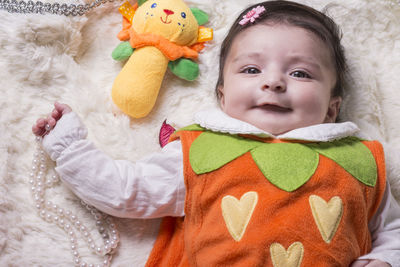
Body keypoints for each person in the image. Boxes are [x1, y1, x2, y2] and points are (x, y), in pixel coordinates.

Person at [33, 1, 400, 266]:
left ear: (332, 107)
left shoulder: (362, 160)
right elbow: (126, 190)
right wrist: (69, 147)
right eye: (252, 69)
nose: (273, 82)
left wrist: (383, 259)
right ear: (223, 96)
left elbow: (393, 230)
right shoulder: (200, 151)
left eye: (300, 73)